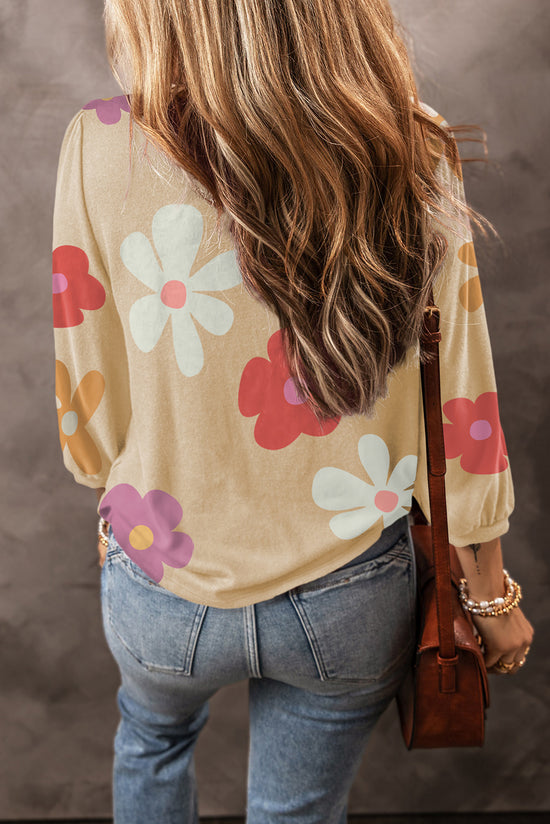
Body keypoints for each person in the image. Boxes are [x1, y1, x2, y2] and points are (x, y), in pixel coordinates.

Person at [51, 1, 534, 821]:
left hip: (162, 577)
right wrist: (488, 593)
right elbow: (464, 393)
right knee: (297, 813)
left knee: (151, 740)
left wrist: (109, 485)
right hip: (349, 591)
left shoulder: (99, 141)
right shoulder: (413, 146)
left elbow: (85, 377)